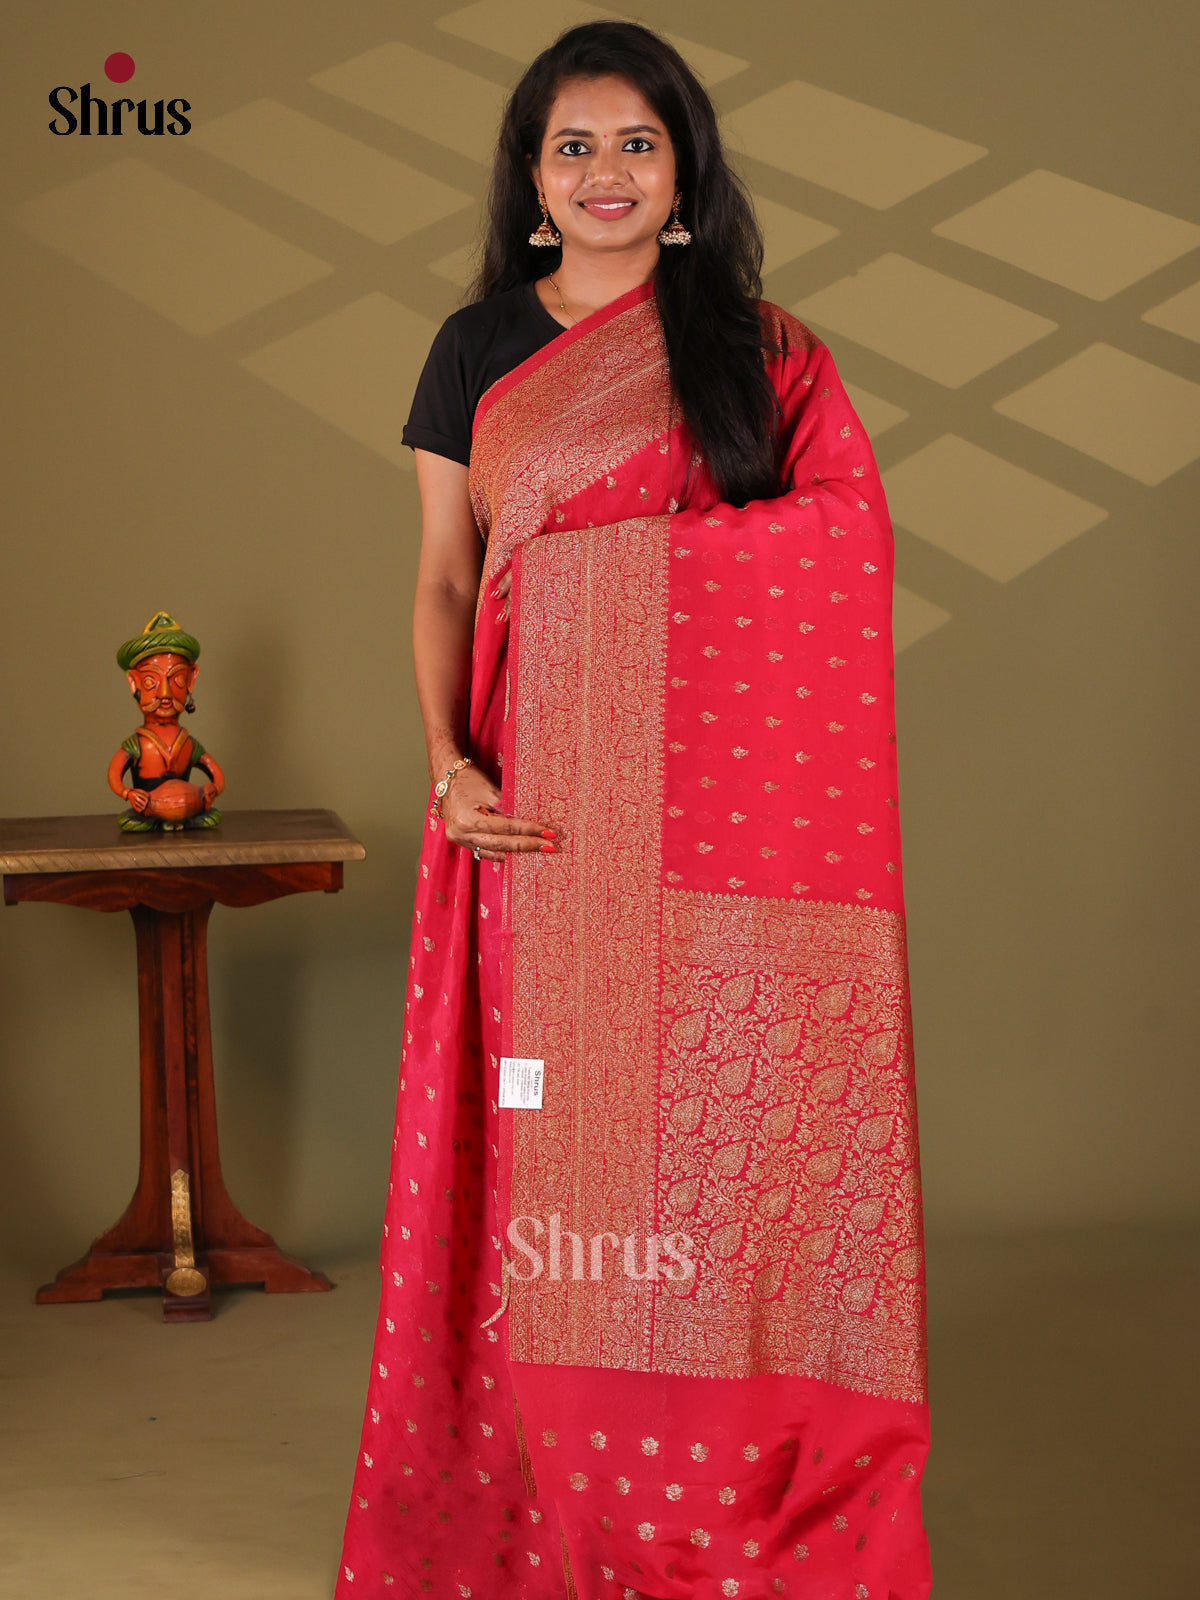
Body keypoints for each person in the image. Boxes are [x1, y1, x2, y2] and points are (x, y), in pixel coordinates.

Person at [336, 20, 931, 1599]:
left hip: (731, 834)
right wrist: (448, 765)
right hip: (542, 819)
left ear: (685, 174)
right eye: (575, 146)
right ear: (532, 181)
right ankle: (547, 1506)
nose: (606, 173)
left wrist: (594, 579)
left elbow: (844, 542)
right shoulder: (475, 349)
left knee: (722, 1166)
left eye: (638, 144)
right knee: (558, 1160)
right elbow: (447, 577)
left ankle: (728, 1489)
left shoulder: (764, 350)